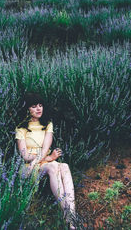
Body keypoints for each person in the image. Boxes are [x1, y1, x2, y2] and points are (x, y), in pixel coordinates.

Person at [15, 92, 76, 229]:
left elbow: (46, 147)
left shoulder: (47, 124)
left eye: (40, 105)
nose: (38, 109)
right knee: (53, 167)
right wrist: (48, 158)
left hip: (39, 161)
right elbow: (25, 155)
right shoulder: (21, 128)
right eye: (34, 106)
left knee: (64, 166)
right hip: (28, 166)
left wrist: (43, 158)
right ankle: (67, 214)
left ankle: (72, 217)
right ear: (27, 109)